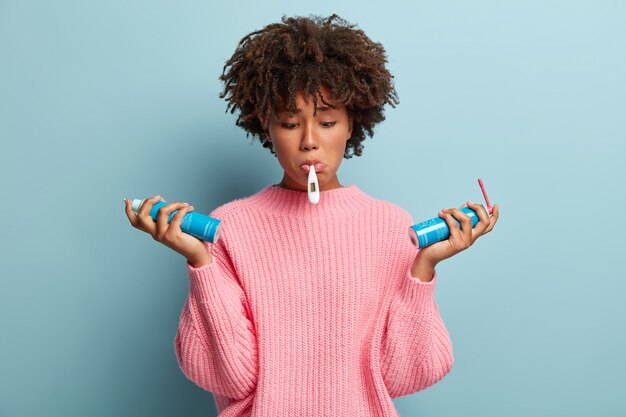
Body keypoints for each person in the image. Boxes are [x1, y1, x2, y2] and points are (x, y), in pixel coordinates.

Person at [124, 14, 499, 416]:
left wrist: (424, 267)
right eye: (289, 123)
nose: (309, 141)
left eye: (327, 122)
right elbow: (230, 377)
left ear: (352, 123)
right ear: (264, 126)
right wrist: (201, 261)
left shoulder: (392, 228)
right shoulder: (229, 227)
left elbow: (407, 375)